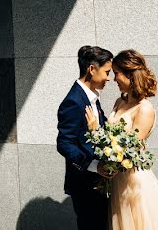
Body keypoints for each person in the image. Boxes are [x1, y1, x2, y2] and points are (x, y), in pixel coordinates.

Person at [84, 49, 158, 230]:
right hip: (117, 181)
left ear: (130, 75)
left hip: (133, 182)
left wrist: (94, 132)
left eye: (116, 74)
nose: (113, 79)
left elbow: (128, 151)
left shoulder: (144, 110)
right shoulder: (119, 102)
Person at [57, 45, 116, 230]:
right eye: (107, 72)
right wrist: (94, 166)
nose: (109, 78)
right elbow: (64, 143)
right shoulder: (74, 101)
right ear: (92, 69)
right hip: (84, 184)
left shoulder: (92, 97)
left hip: (98, 183)